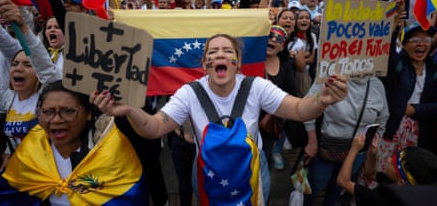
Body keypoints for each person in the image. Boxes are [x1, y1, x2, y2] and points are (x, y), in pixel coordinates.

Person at [90, 33, 348, 203]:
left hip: (253, 172)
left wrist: (321, 101)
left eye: (227, 50)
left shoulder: (256, 86)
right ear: (205, 64)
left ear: (237, 62)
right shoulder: (190, 92)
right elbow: (154, 127)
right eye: (213, 52)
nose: (220, 54)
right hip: (207, 171)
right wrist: (130, 110)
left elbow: (299, 110)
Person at [0, 80, 149, 205]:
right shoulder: (31, 147)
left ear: (88, 114)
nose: (56, 120)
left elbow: (130, 197)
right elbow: (9, 197)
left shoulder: (113, 149)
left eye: (68, 111)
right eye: (47, 112)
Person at [0, 0, 62, 165]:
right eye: (14, 64)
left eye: (27, 65)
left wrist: (22, 27)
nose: (18, 69)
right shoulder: (9, 97)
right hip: (21, 173)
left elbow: (43, 65)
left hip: (50, 171)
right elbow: (11, 144)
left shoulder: (46, 93)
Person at [303, 76, 390, 206]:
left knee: (337, 188)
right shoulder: (331, 77)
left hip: (357, 153)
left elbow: (383, 118)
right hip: (327, 148)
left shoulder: (376, 85)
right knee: (313, 186)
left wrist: (373, 142)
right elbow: (307, 106)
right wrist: (312, 141)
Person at [379, 22, 437, 169]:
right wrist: (393, 30)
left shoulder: (435, 70)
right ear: (404, 45)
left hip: (419, 132)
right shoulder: (397, 65)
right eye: (416, 40)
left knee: (406, 170)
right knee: (382, 168)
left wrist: (416, 109)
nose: (422, 44)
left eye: (427, 40)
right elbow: (388, 53)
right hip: (390, 127)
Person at [337, 134, 437, 206]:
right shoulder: (396, 184)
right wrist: (372, 155)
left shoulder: (381, 198)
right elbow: (370, 174)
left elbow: (343, 181)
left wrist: (354, 149)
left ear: (401, 182)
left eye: (393, 162)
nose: (388, 159)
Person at [259, 26, 297, 172]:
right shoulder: (251, 62)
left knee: (264, 157)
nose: (274, 40)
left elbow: (290, 93)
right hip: (247, 119)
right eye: (270, 36)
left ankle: (263, 191)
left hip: (269, 124)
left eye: (279, 39)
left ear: (282, 47)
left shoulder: (285, 67)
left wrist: (270, 113)